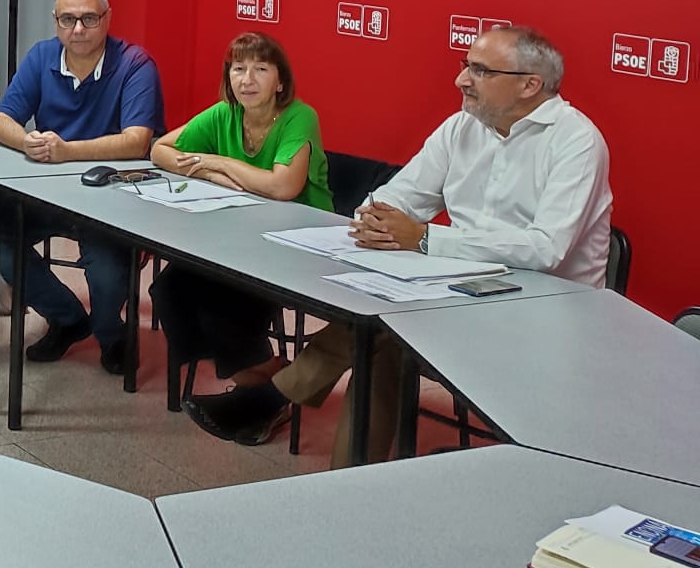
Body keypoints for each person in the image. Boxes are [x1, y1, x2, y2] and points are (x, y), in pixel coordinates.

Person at [185, 25, 613, 463]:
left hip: (545, 311)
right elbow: (398, 194)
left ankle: (276, 404)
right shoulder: (462, 127)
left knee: (385, 334)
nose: (461, 80)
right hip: (462, 291)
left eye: (480, 71)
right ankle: (335, 473)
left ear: (530, 85)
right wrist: (376, 218)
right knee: (382, 333)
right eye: (465, 66)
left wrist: (425, 237)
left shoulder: (575, 141)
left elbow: (546, 249)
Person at [0, 0, 164, 374]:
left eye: (88, 18)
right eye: (68, 19)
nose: (78, 29)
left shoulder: (135, 64)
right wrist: (26, 141)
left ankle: (110, 333)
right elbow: (2, 121)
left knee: (106, 269)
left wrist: (66, 152)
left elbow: (137, 141)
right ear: (55, 21)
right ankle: (67, 318)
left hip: (111, 200)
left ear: (107, 18)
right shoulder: (41, 56)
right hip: (49, 191)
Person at [148, 33, 331, 397]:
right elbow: (159, 150)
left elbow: (283, 187)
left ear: (280, 81)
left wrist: (218, 161)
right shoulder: (225, 113)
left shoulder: (299, 117)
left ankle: (258, 391)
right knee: (169, 289)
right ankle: (260, 376)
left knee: (221, 306)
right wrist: (212, 175)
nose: (247, 80)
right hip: (238, 236)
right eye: (238, 69)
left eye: (260, 69)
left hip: (296, 242)